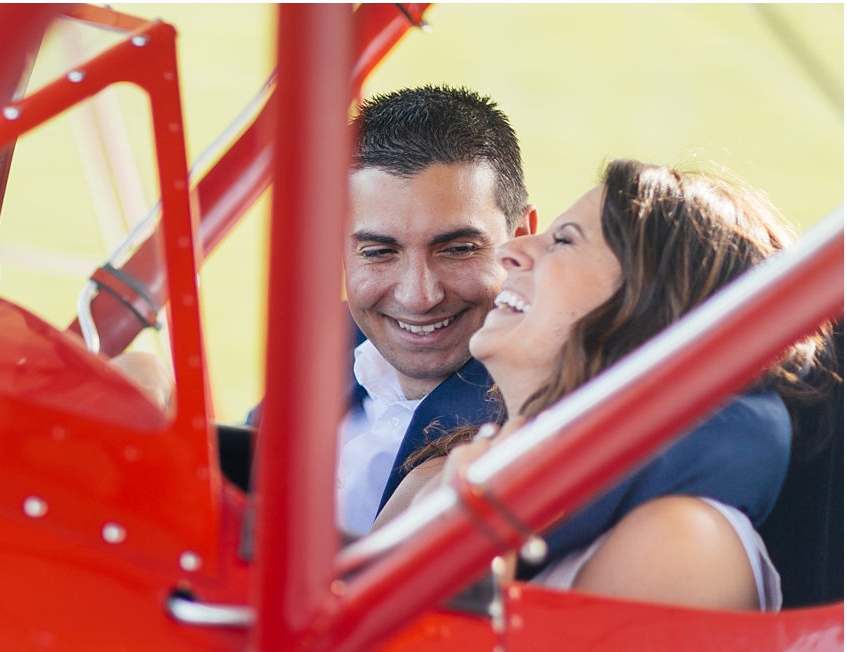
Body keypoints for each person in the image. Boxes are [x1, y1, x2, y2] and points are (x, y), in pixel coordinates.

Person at [377, 159, 835, 611]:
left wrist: (470, 537)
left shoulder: (680, 541)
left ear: (650, 312)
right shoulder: (435, 474)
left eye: (563, 241)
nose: (508, 252)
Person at [329, 86, 537, 535]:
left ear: (522, 235)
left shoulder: (534, 418)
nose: (420, 296)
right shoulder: (322, 343)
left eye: (458, 249)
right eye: (380, 252)